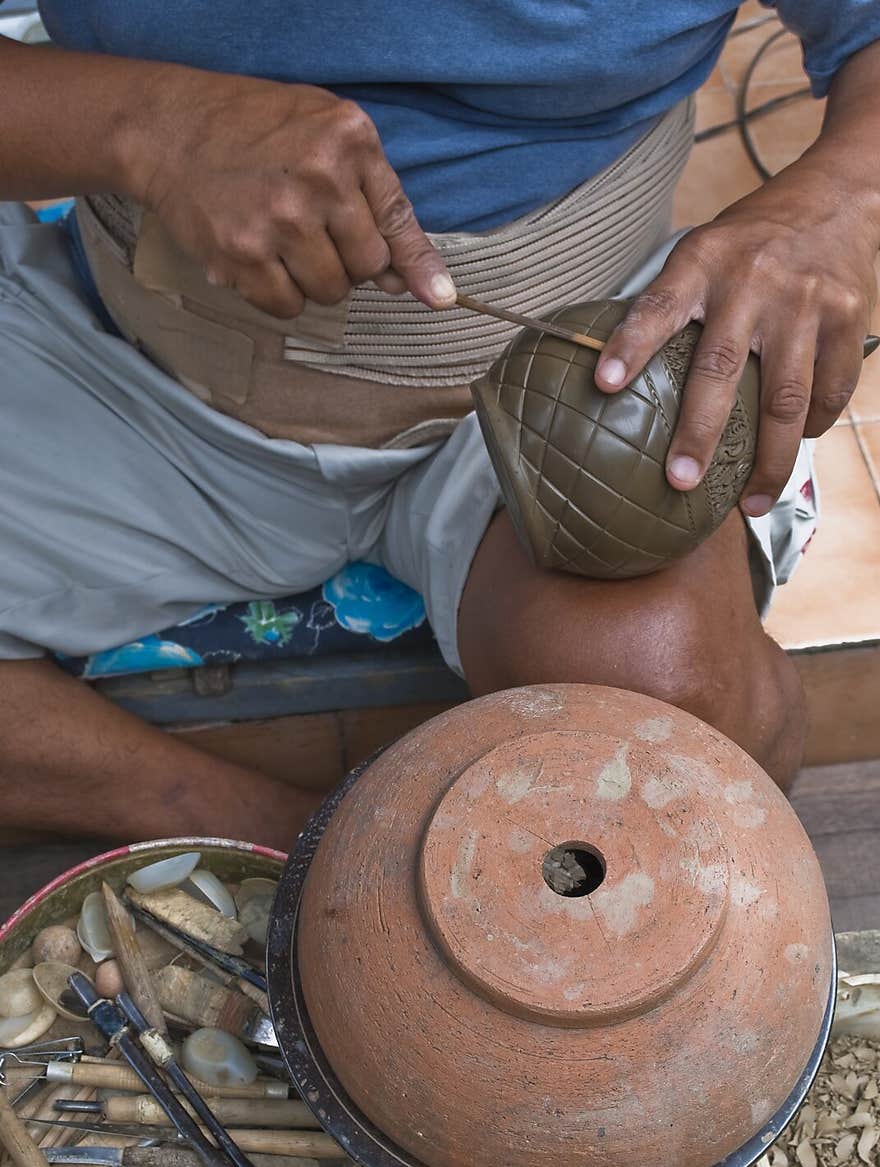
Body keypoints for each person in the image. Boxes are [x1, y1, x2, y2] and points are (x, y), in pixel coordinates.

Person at [0, 3, 878, 850]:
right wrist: (144, 123)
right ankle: (291, 837)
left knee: (674, 710)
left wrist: (839, 203)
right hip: (127, 371)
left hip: (566, 397)